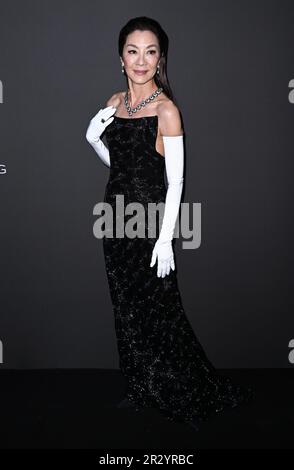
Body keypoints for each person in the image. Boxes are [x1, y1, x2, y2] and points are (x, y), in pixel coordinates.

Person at [86, 16, 254, 431]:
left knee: (163, 315)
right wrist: (93, 140)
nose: (141, 60)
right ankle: (141, 388)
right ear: (121, 58)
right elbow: (123, 167)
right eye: (132, 51)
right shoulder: (113, 103)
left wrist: (164, 240)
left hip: (150, 226)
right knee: (126, 311)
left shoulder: (166, 110)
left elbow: (175, 180)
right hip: (115, 221)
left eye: (150, 52)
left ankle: (186, 397)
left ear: (160, 59)